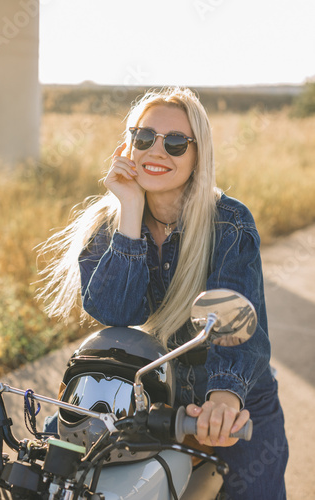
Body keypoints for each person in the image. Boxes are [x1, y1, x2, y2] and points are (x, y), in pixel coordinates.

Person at [39, 87, 288, 499]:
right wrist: (131, 213)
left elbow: (234, 328)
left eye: (175, 143)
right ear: (128, 146)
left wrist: (223, 405)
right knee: (44, 476)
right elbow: (115, 311)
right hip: (140, 396)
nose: (157, 151)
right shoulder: (106, 223)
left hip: (232, 399)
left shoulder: (229, 224)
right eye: (144, 139)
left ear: (198, 156)